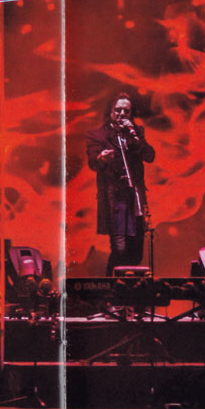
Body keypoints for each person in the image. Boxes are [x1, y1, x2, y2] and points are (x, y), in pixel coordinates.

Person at [86, 92, 156, 276]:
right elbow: (93, 161)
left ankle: (129, 288)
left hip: (135, 199)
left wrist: (134, 138)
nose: (122, 114)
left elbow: (150, 156)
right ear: (110, 111)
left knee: (136, 250)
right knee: (120, 250)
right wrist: (102, 158)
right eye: (118, 110)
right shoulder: (98, 135)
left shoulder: (136, 132)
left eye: (126, 111)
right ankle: (112, 288)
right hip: (115, 199)